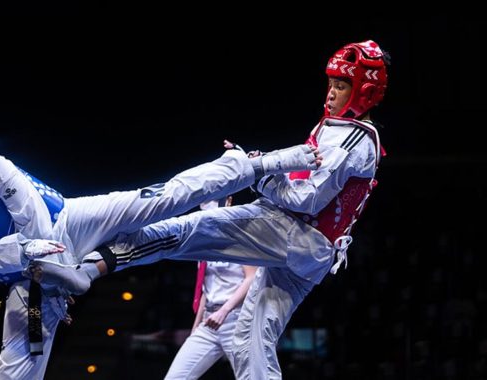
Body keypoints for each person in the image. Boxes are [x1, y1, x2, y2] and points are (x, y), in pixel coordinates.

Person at [28, 39, 389, 379]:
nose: (330, 93)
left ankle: (88, 269)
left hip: (297, 233)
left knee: (185, 232)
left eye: (341, 86)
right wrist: (261, 167)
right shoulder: (337, 127)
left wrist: (255, 171)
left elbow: (306, 198)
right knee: (251, 342)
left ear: (365, 92)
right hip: (308, 251)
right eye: (331, 83)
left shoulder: (353, 138)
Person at [0, 97, 321, 379]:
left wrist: (51, 274)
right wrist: (34, 269)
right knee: (15, 367)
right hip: (25, 274)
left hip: (69, 225)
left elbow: (39, 228)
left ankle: (256, 164)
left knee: (159, 199)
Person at [165, 196, 257, 380]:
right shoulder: (204, 242)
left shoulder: (241, 237)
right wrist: (195, 329)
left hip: (237, 320)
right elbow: (206, 289)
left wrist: (224, 311)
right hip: (209, 322)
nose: (207, 204)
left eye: (213, 199)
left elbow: (252, 278)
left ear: (229, 201)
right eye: (204, 200)